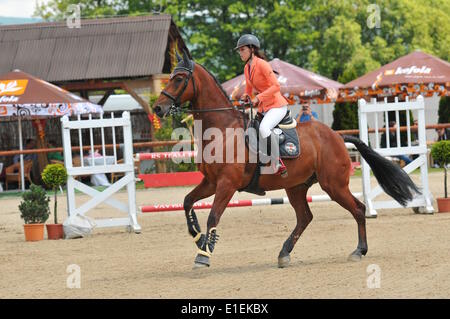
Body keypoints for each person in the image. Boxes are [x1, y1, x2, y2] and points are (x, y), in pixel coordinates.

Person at [235, 34, 288, 176]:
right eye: (239, 50)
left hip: (277, 106)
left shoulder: (263, 64)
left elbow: (276, 86)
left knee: (264, 128)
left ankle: (278, 162)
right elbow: (249, 89)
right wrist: (246, 96)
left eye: (242, 49)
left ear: (252, 49)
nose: (240, 53)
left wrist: (258, 98)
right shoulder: (247, 68)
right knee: (251, 128)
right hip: (264, 107)